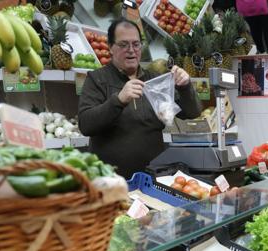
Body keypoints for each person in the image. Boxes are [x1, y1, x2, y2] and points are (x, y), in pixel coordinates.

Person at [78, 18, 201, 177]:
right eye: (123, 44)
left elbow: (192, 112)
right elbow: (86, 124)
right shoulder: (97, 79)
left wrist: (185, 87)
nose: (131, 50)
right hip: (113, 182)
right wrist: (119, 100)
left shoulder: (154, 80)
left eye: (136, 44)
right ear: (110, 47)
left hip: (154, 179)